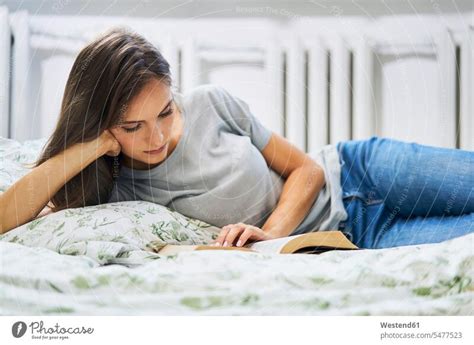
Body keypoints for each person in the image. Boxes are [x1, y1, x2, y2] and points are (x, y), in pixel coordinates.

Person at [1, 28, 472, 251]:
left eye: (165, 111)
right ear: (105, 128)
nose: (158, 136)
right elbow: (7, 218)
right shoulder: (117, 187)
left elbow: (304, 168)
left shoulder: (210, 102)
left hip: (359, 168)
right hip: (359, 235)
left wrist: (272, 235)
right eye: (132, 127)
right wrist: (91, 145)